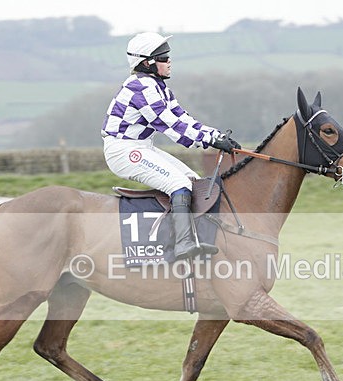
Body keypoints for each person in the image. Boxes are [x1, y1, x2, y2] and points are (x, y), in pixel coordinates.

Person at [101, 32, 240, 260]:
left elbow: (184, 118)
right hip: (124, 151)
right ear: (147, 63)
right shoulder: (142, 88)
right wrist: (209, 141)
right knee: (178, 183)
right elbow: (172, 126)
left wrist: (215, 135)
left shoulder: (158, 87)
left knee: (194, 181)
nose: (169, 61)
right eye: (164, 57)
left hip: (141, 146)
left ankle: (196, 239)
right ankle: (181, 244)